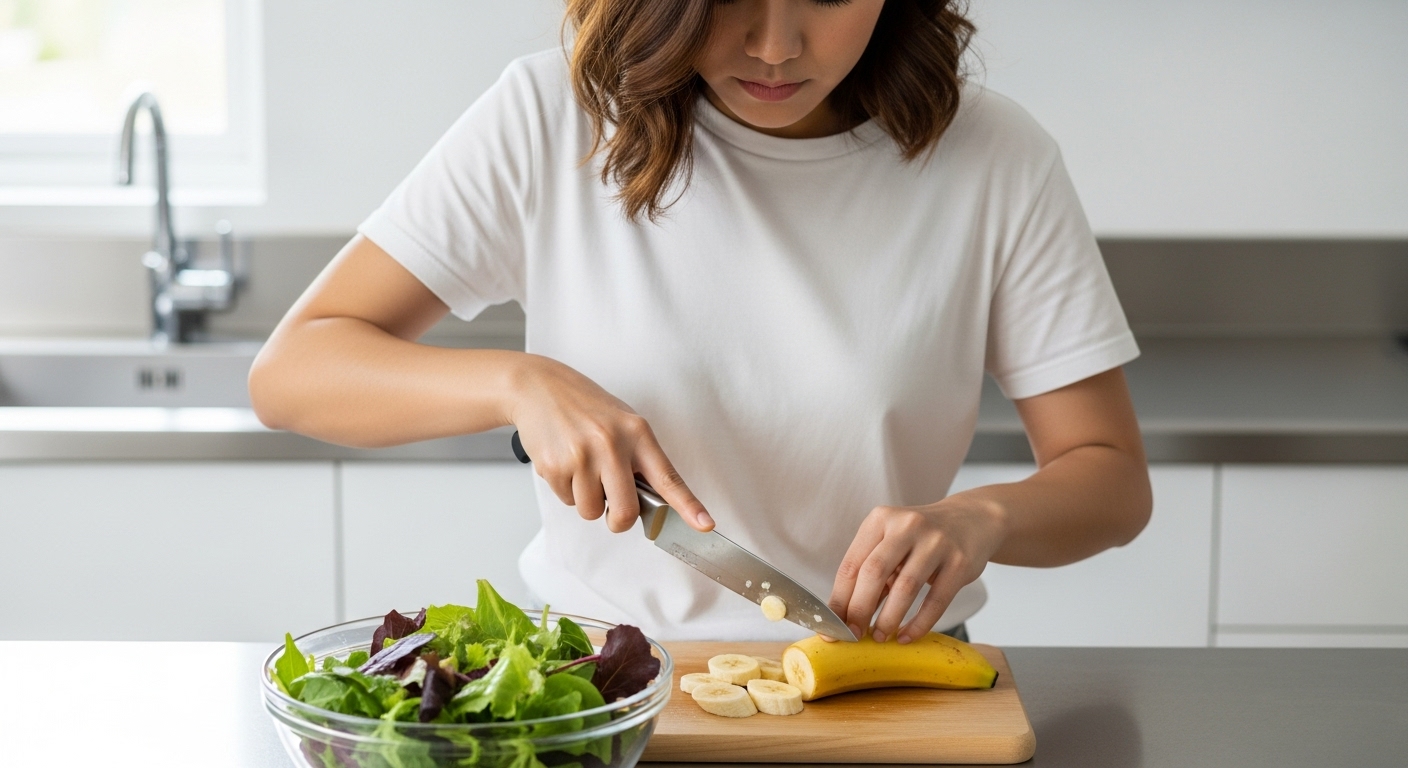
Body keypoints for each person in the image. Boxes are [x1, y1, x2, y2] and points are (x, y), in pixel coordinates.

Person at [250, 0, 1152, 644]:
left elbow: (1110, 480)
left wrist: (982, 517)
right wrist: (518, 383)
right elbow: (292, 373)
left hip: (887, 690)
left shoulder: (996, 158)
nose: (774, 43)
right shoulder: (552, 118)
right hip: (601, 686)